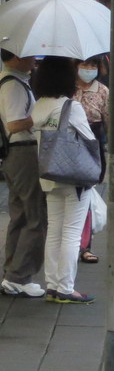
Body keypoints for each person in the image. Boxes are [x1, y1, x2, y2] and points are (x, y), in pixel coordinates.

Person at [31, 57, 97, 303]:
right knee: (71, 232)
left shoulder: (39, 105)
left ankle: (52, 285)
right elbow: (89, 139)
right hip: (73, 176)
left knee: (54, 230)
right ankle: (66, 288)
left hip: (49, 174)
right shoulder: (71, 107)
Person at [0, 49, 47, 298]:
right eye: (31, 54)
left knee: (20, 214)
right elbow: (14, 123)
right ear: (16, 56)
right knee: (34, 215)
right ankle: (20, 276)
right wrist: (41, 114)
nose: (35, 59)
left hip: (16, 153)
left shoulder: (13, 81)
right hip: (23, 152)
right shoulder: (13, 86)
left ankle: (12, 273)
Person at [74, 56, 109, 265]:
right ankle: (71, 242)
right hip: (69, 145)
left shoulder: (103, 91)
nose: (88, 69)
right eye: (84, 64)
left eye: (93, 65)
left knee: (86, 197)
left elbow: (108, 121)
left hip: (92, 145)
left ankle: (85, 245)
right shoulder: (67, 88)